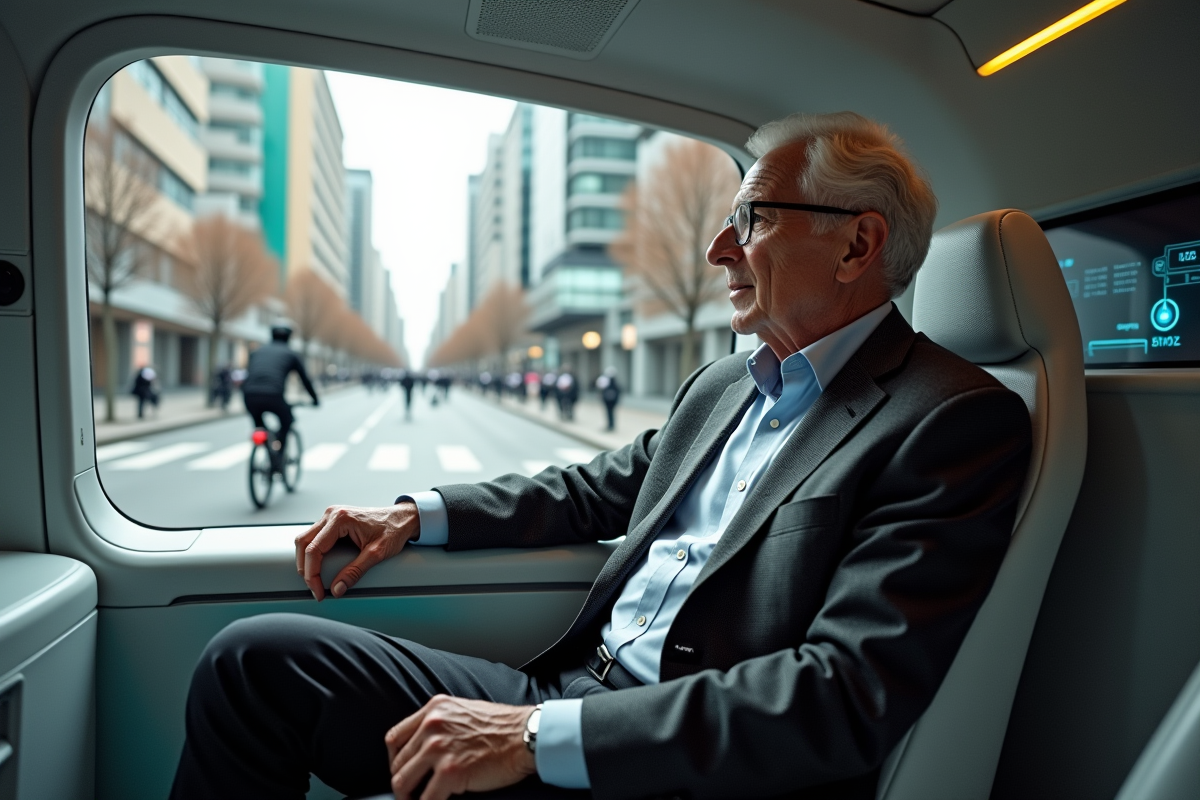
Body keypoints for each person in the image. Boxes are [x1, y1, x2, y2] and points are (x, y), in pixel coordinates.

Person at [171, 112, 1032, 800]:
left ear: (857, 245)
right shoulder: (725, 385)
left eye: (752, 219)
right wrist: (415, 515)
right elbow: (593, 490)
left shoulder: (951, 420)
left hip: (670, 765)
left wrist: (532, 739)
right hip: (566, 692)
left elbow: (840, 694)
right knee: (254, 663)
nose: (717, 250)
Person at [241, 324, 319, 471]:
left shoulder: (256, 352)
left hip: (249, 396)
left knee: (260, 427)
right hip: (274, 396)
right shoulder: (291, 354)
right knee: (287, 421)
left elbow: (249, 375)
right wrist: (315, 399)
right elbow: (305, 380)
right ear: (289, 338)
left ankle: (266, 447)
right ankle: (278, 458)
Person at [596, 367, 621, 432]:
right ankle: (610, 425)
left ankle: (611, 425)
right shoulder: (613, 382)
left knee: (610, 413)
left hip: (610, 401)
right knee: (610, 413)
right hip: (609, 401)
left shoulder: (611, 382)